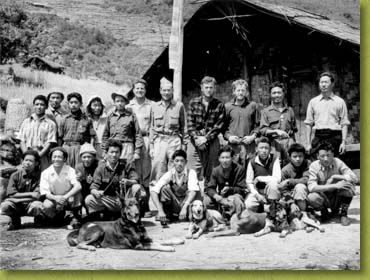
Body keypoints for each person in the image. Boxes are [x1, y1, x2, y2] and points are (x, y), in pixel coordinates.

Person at [85, 139, 146, 220]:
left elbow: (136, 180)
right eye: (111, 152)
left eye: (117, 152)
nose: (114, 155)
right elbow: (93, 187)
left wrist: (129, 182)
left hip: (126, 200)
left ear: (120, 153)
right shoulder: (100, 168)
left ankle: (133, 215)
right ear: (106, 153)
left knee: (137, 187)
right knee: (89, 199)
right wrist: (96, 192)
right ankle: (104, 216)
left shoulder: (127, 164)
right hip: (109, 200)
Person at [307, 141, 358, 226]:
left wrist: (335, 177)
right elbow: (311, 187)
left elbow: (354, 178)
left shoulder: (338, 162)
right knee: (311, 197)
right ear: (317, 156)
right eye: (322, 156)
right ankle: (324, 212)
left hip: (337, 196)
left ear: (333, 155)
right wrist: (334, 185)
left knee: (349, 186)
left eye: (328, 155)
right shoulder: (313, 166)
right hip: (324, 196)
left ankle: (343, 213)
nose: (326, 159)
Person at [187, 76, 226, 183]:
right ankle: (193, 195)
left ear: (214, 88)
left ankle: (209, 195)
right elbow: (190, 124)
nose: (209, 90)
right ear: (202, 88)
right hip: (195, 140)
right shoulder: (193, 102)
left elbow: (219, 126)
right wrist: (197, 139)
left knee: (212, 170)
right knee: (193, 170)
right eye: (206, 87)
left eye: (211, 87)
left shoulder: (219, 105)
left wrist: (206, 138)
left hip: (212, 139)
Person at [149, 77, 187, 184]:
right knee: (158, 166)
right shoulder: (154, 106)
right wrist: (151, 146)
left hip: (174, 140)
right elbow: (151, 128)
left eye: (169, 90)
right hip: (159, 140)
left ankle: (172, 190)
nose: (166, 93)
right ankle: (156, 191)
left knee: (174, 166)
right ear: (160, 91)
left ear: (172, 91)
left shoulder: (179, 106)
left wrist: (184, 146)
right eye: (164, 90)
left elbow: (184, 127)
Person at [304, 72, 350, 156]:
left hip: (335, 136)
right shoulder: (313, 102)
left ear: (332, 84)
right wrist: (308, 143)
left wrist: (343, 142)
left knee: (335, 162)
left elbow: (344, 124)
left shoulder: (339, 101)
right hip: (319, 135)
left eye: (326, 82)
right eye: (321, 82)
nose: (323, 85)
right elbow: (308, 124)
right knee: (317, 162)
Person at [151, 149, 200, 225]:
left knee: (194, 190)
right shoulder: (169, 174)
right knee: (164, 189)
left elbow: (193, 192)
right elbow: (154, 191)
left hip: (187, 204)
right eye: (177, 161)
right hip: (175, 204)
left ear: (186, 162)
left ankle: (187, 215)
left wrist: (184, 208)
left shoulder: (191, 172)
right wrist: (160, 210)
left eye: (182, 161)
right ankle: (167, 214)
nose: (179, 164)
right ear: (173, 162)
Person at [126, 79, 153, 213]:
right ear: (133, 89)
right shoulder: (128, 106)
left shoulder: (151, 105)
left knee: (146, 172)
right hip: (133, 141)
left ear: (145, 90)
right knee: (135, 172)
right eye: (137, 88)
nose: (139, 91)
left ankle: (146, 205)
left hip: (146, 139)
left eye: (142, 88)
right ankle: (135, 205)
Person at [0, 150, 44, 230]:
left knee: (38, 205)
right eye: (26, 160)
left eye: (30, 161)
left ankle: (38, 220)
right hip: (16, 205)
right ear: (22, 161)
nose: (27, 163)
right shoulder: (15, 175)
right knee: (5, 206)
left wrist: (16, 199)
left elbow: (37, 195)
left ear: (36, 163)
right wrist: (30, 194)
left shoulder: (40, 176)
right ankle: (15, 219)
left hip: (30, 205)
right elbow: (11, 193)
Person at [40, 147, 83, 228]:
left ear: (64, 159)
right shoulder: (45, 173)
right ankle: (56, 217)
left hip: (68, 198)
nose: (57, 159)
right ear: (51, 158)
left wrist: (65, 197)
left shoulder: (70, 170)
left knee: (78, 195)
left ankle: (74, 216)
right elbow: (45, 192)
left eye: (59, 157)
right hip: (54, 198)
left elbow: (78, 186)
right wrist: (56, 198)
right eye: (54, 157)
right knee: (47, 205)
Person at [245, 137, 281, 231]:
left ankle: (273, 217)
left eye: (266, 148)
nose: (264, 151)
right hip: (258, 192)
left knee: (273, 184)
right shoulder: (252, 162)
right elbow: (249, 182)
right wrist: (257, 195)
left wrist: (260, 178)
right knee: (249, 204)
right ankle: (261, 216)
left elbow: (277, 178)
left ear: (270, 149)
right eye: (261, 148)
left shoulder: (275, 159)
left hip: (271, 191)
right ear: (257, 149)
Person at [204, 145, 247, 219]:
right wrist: (217, 196)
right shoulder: (216, 170)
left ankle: (238, 220)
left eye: (227, 158)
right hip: (221, 197)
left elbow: (242, 189)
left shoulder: (240, 169)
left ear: (232, 158)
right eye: (222, 158)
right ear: (219, 159)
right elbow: (209, 188)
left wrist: (230, 189)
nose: (225, 160)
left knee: (236, 200)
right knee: (205, 201)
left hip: (235, 196)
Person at [224, 79, 260, 168]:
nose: (240, 93)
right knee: (233, 170)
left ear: (246, 92)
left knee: (249, 169)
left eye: (243, 90)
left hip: (249, 145)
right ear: (234, 92)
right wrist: (229, 137)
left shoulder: (252, 105)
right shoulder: (227, 107)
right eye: (238, 90)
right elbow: (222, 127)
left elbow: (258, 125)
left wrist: (253, 136)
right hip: (233, 145)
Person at [260, 82, 297, 166]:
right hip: (274, 144)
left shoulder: (289, 110)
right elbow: (262, 129)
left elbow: (293, 130)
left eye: (279, 92)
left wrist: (294, 146)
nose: (277, 95)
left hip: (288, 143)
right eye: (274, 93)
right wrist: (275, 131)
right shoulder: (266, 111)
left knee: (290, 165)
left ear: (283, 94)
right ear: (270, 95)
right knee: (275, 166)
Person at [17, 95, 57, 170]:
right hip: (27, 154)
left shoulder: (51, 124)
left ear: (46, 107)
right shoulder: (26, 122)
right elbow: (21, 140)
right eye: (37, 104)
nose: (39, 107)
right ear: (33, 106)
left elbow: (50, 143)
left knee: (41, 178)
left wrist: (37, 157)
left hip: (42, 156)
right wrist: (27, 156)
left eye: (42, 105)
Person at [102, 91, 143, 163]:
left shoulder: (131, 116)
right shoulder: (110, 116)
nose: (120, 103)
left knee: (127, 170)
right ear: (114, 103)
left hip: (127, 147)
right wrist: (104, 150)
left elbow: (137, 134)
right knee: (113, 170)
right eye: (117, 101)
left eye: (122, 101)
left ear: (125, 103)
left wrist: (137, 151)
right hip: (113, 147)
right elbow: (105, 134)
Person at [58, 92, 95, 168]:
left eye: (76, 102)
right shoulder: (64, 119)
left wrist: (89, 151)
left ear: (81, 104)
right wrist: (60, 151)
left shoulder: (87, 120)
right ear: (68, 104)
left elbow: (92, 137)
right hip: (66, 148)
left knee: (79, 171)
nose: (73, 105)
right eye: (71, 102)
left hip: (80, 148)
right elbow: (60, 138)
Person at [278, 143, 310, 215]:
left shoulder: (307, 164)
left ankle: (303, 213)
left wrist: (289, 181)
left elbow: (306, 180)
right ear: (289, 157)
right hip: (290, 196)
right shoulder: (285, 170)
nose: (298, 159)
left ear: (304, 156)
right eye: (295, 156)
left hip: (305, 195)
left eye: (300, 156)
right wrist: (291, 203)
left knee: (300, 187)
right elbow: (284, 190)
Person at [74, 143, 99, 209]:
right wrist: (79, 179)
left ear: (94, 157)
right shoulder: (78, 167)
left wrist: (93, 180)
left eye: (89, 157)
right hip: (84, 190)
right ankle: (76, 211)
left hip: (96, 190)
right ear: (81, 158)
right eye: (84, 157)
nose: (86, 159)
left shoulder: (99, 166)